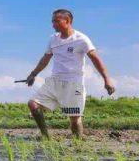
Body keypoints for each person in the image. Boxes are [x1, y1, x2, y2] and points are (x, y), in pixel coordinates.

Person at [25, 9, 115, 139]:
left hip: (74, 83)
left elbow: (95, 58)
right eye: (52, 21)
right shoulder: (53, 39)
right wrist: (33, 74)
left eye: (56, 21)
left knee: (74, 119)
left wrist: (107, 79)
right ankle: (46, 137)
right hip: (54, 82)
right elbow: (46, 58)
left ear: (67, 21)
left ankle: (78, 144)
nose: (53, 25)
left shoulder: (81, 39)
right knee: (33, 104)